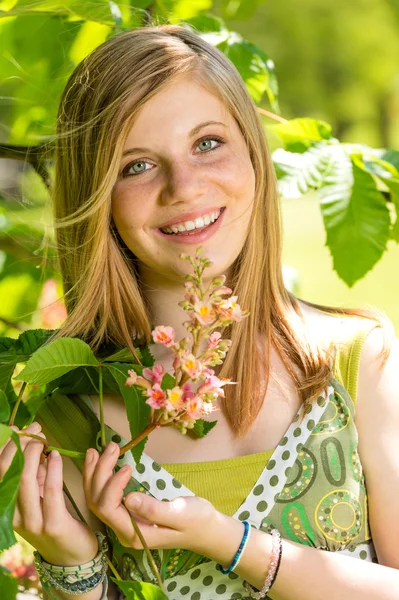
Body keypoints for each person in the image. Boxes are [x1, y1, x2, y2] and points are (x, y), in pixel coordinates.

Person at [1, 23, 399, 600]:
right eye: (136, 165)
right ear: (98, 199)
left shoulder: (357, 361)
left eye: (207, 143)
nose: (183, 187)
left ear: (254, 157)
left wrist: (233, 543)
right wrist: (73, 564)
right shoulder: (72, 413)